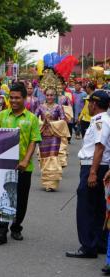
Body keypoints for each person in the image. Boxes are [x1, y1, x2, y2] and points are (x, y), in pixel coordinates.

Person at [0, 82, 42, 244]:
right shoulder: (1, 116)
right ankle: (2, 230)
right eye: (11, 98)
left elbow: (34, 140)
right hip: (4, 166)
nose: (13, 101)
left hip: (24, 167)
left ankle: (16, 227)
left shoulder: (31, 118)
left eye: (17, 98)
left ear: (24, 99)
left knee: (21, 200)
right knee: (5, 196)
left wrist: (26, 160)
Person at [66, 90, 110, 259]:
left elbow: (99, 147)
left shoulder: (100, 121)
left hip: (94, 167)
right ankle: (98, 242)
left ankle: (88, 246)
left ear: (94, 104)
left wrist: (92, 172)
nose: (87, 105)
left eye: (89, 102)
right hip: (99, 167)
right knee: (98, 207)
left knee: (86, 207)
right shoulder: (102, 120)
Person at [35, 88, 68, 191]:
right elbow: (34, 119)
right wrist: (43, 122)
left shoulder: (58, 107)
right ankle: (46, 183)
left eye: (52, 95)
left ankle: (52, 184)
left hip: (54, 135)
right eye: (48, 95)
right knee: (45, 159)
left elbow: (63, 121)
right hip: (43, 135)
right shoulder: (40, 107)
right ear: (45, 95)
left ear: (55, 96)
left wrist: (52, 124)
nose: (49, 97)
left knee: (53, 158)